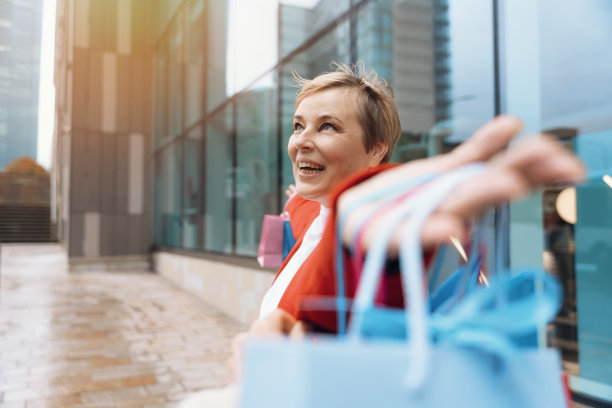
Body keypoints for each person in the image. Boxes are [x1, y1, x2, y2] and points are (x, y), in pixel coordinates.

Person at [179, 63, 585, 407]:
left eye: (328, 127)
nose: (301, 141)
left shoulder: (405, 243)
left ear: (376, 149)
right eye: (298, 125)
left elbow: (365, 280)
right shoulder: (309, 211)